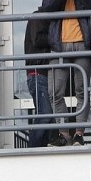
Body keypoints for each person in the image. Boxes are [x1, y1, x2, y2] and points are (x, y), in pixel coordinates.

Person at [41, 0, 91, 147]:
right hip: (58, 44)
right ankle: (64, 134)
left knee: (81, 91)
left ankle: (79, 133)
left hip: (83, 42)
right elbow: (48, 8)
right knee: (54, 91)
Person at [23, 9, 56, 148]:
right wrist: (58, 37)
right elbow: (37, 39)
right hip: (37, 72)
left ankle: (43, 147)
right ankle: (32, 149)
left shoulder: (43, 18)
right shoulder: (39, 17)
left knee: (48, 115)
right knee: (45, 114)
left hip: (42, 72)